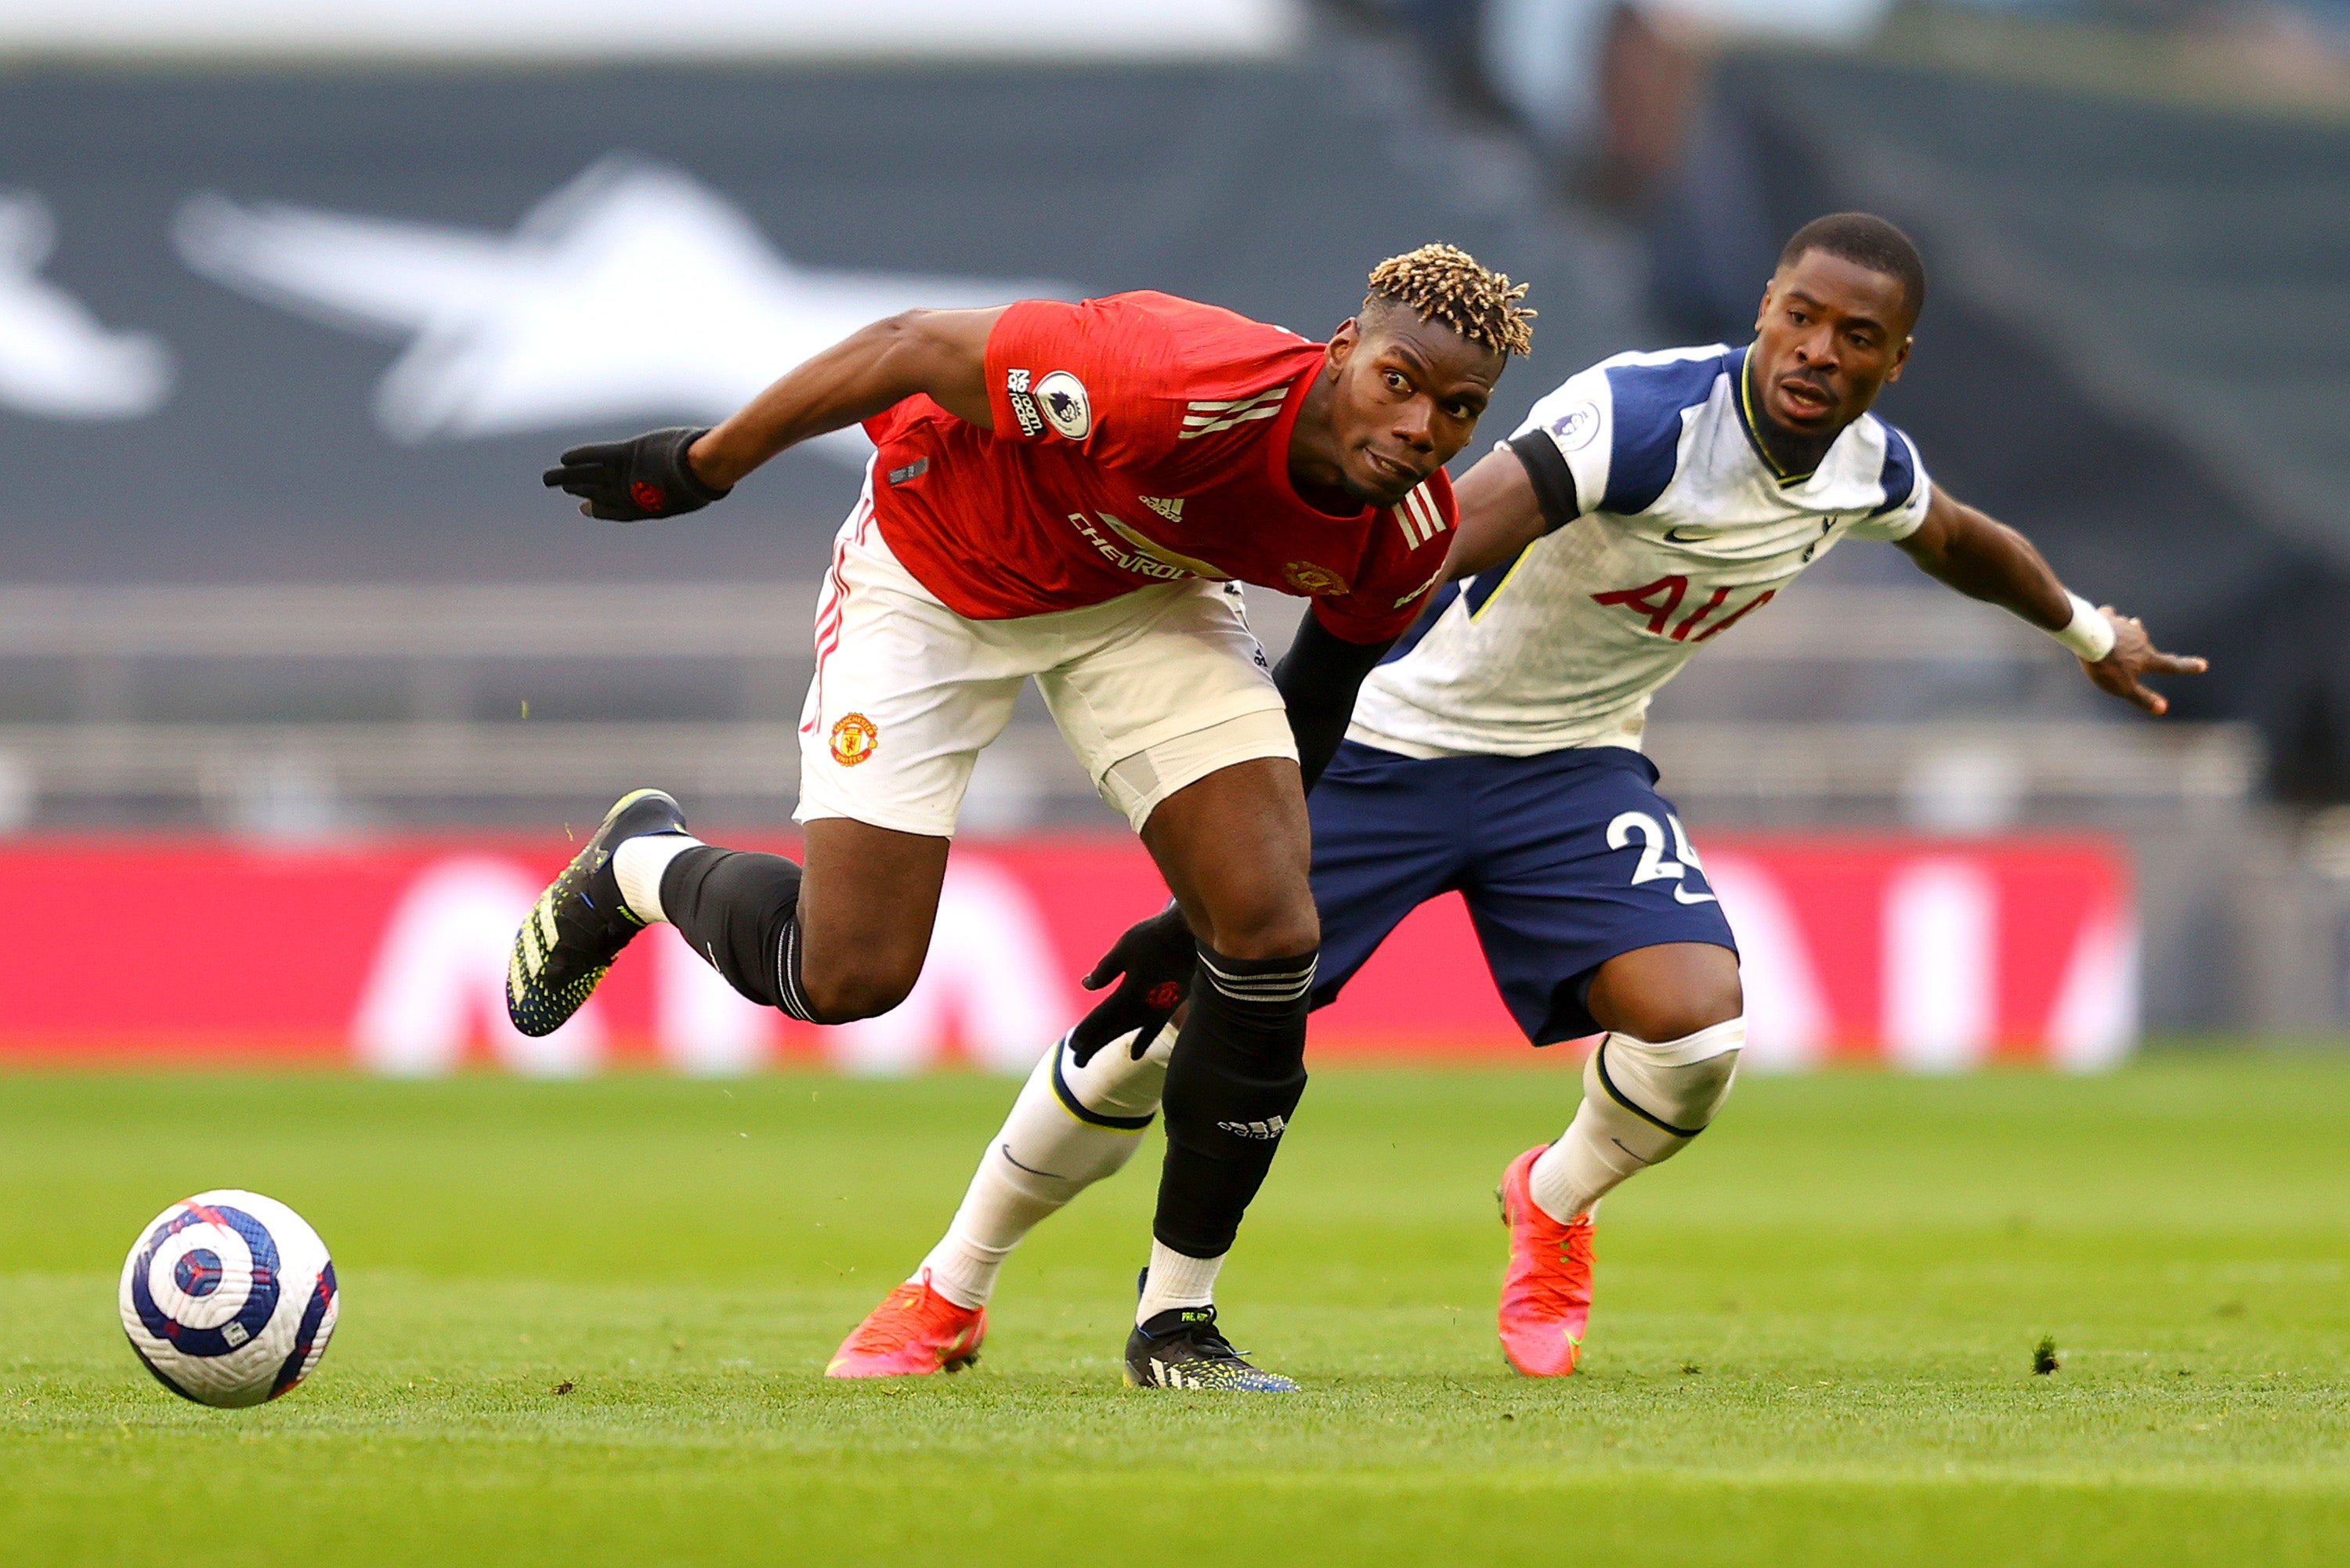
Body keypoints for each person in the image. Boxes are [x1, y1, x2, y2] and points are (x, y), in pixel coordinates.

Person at [833, 212, 2206, 1389]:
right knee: (1164, 1027)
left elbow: (1965, 543)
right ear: (1765, 313)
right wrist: (1274, 769)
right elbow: (1411, 556)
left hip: (1569, 767)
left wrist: (2092, 632)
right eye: (1800, 317)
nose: (1817, 353)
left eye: (1857, 337)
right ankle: (948, 1288)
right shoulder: (1641, 419)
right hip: (1391, 744)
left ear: (1894, 360)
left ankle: (1549, 1201)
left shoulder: (1867, 468)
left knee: (1699, 1033)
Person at [517, 247, 1537, 1390]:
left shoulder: (1407, 532)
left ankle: (1178, 1324)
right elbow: (903, 346)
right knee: (848, 974)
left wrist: (1203, 909)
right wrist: (703, 465)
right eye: (1400, 380)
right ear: (1343, 351)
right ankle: (640, 866)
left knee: (1269, 937)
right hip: (938, 563)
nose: (1421, 427)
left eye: (1459, 409)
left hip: (1141, 594)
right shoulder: (1170, 382)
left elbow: (1318, 699)